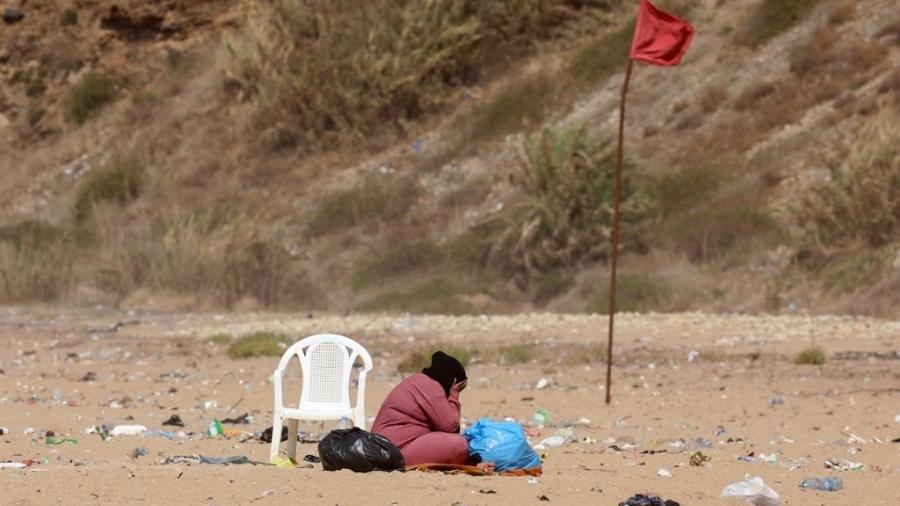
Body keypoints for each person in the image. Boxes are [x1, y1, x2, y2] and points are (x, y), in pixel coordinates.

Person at [371, 351, 470, 466]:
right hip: (392, 450)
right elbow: (450, 425)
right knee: (460, 444)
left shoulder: (421, 381)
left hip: (389, 447)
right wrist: (454, 394)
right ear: (453, 382)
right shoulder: (431, 386)